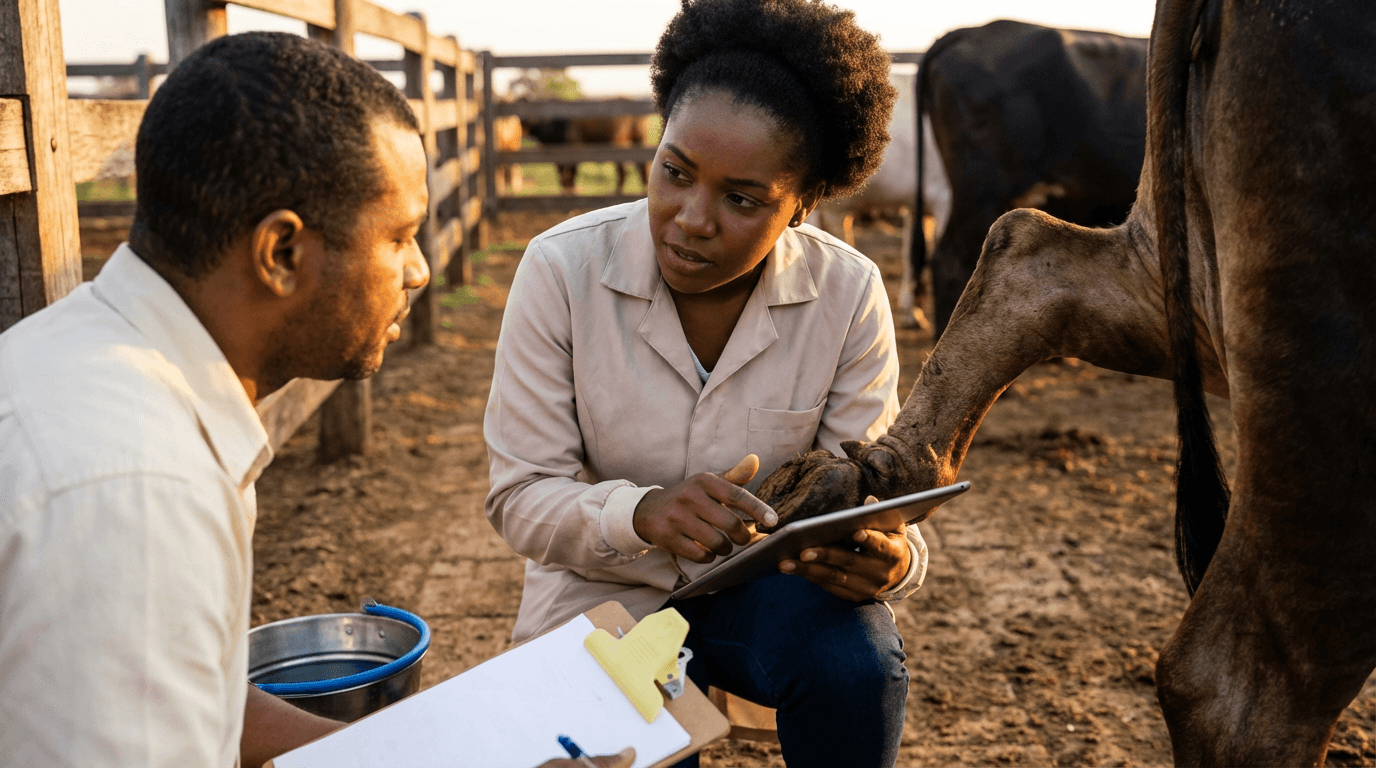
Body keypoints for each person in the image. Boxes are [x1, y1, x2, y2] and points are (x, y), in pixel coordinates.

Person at [484, 1, 925, 765]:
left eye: (742, 198)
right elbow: (519, 495)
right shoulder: (562, 269)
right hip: (603, 596)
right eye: (675, 172)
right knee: (635, 747)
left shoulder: (848, 292)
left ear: (804, 204)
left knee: (855, 664)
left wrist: (895, 557)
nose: (692, 218)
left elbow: (870, 494)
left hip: (765, 597)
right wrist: (642, 513)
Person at [0, 32, 429, 767]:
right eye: (399, 237)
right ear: (281, 253)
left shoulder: (95, 362)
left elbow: (193, 697)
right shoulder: (140, 491)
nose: (417, 270)